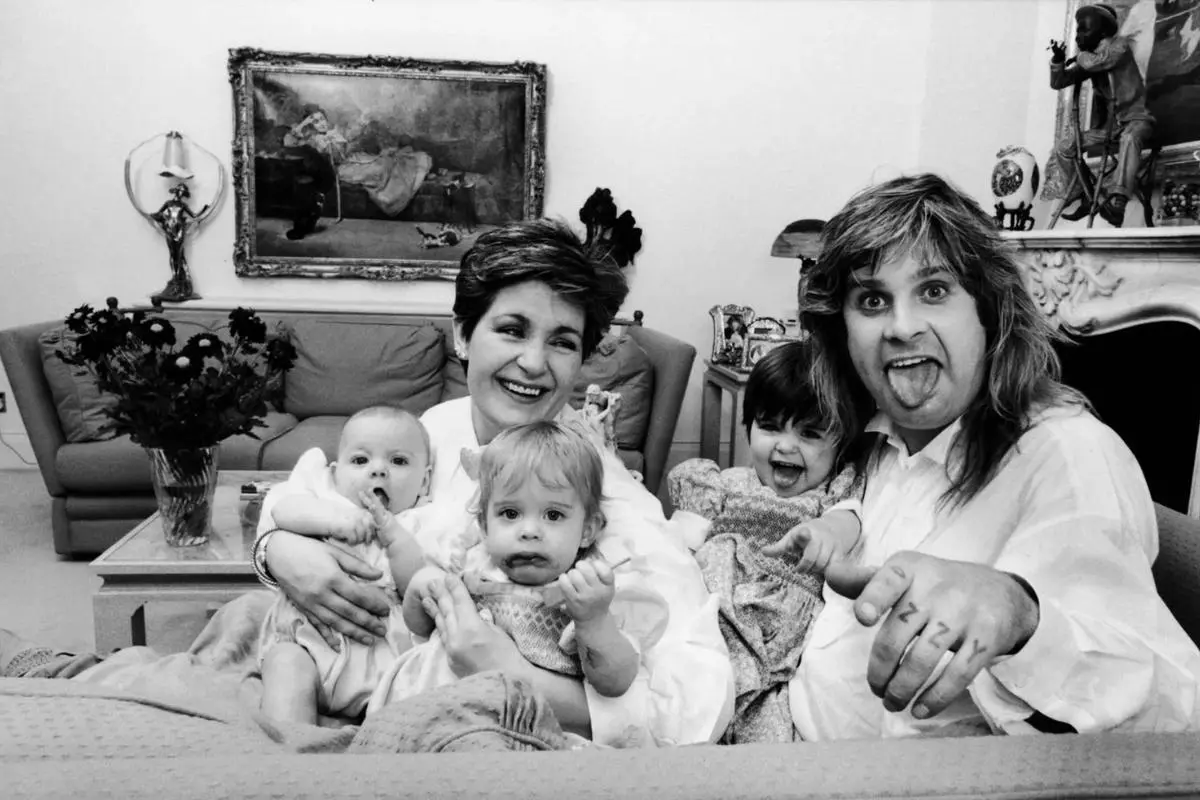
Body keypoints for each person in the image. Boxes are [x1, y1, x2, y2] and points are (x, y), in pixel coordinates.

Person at [253, 218, 734, 747]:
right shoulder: (436, 428)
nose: (532, 362)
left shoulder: (606, 499)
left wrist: (513, 676)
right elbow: (311, 490)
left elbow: (700, 707)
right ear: (463, 334)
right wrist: (277, 552)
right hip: (366, 680)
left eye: (562, 342)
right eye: (512, 329)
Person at [789, 171, 1200, 739]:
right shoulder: (885, 437)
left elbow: (1167, 712)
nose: (901, 327)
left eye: (934, 290)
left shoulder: (1070, 456)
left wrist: (1020, 615)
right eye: (872, 300)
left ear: (989, 312)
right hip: (791, 737)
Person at [367, 420, 650, 714]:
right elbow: (419, 628)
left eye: (553, 515)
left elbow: (616, 682)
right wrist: (420, 588)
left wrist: (594, 621)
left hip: (519, 727)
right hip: (428, 708)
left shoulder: (589, 591)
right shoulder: (469, 571)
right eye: (510, 513)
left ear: (588, 530)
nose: (529, 531)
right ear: (484, 527)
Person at [668, 341, 863, 743]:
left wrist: (828, 535)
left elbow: (850, 518)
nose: (786, 445)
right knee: (677, 711)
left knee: (766, 734)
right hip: (708, 614)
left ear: (840, 443)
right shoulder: (723, 484)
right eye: (770, 426)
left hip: (773, 640)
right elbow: (678, 546)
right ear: (749, 428)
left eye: (810, 434)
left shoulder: (829, 497)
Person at [257, 406, 432, 724]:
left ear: (425, 481)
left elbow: (417, 587)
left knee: (422, 693)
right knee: (285, 665)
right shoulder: (325, 502)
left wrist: (397, 541)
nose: (378, 471)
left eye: (399, 461)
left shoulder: (423, 522)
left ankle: (380, 747)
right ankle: (288, 747)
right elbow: (283, 511)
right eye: (361, 460)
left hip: (390, 658)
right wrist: (335, 520)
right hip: (312, 644)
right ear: (336, 474)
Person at [1047, 2, 1154, 228]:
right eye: (1077, 30)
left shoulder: (1119, 47)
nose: (1078, 36)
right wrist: (1057, 60)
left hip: (1136, 120)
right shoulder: (1091, 59)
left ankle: (1117, 203)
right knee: (1065, 147)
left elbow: (1099, 61)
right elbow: (1059, 82)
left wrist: (1078, 56)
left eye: (1084, 29)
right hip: (1110, 128)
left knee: (1130, 137)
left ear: (1103, 32)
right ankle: (1084, 193)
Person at [149, 182, 207, 302]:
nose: (182, 194)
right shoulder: (168, 204)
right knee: (172, 253)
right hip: (170, 229)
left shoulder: (183, 205)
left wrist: (205, 209)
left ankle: (180, 280)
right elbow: (158, 214)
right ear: (176, 191)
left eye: (183, 192)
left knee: (179, 254)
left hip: (179, 230)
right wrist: (157, 217)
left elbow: (194, 215)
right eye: (181, 191)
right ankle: (175, 277)